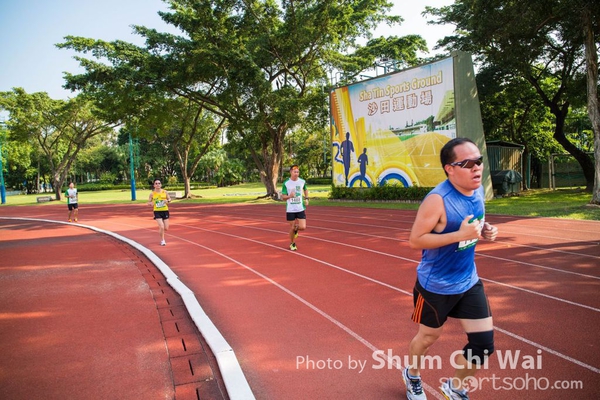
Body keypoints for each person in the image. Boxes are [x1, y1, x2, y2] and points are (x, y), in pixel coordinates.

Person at [402, 138, 499, 400]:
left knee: (483, 344)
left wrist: (485, 229)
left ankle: (455, 388)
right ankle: (412, 375)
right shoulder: (437, 200)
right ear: (450, 169)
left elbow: (473, 222)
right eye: (467, 163)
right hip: (435, 286)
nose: (476, 167)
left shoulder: (477, 191)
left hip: (468, 281)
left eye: (479, 161)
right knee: (428, 337)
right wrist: (460, 235)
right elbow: (415, 240)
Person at [281, 164, 309, 251]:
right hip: (290, 209)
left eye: (297, 172)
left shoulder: (302, 181)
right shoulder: (286, 183)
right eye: (294, 172)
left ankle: (296, 229)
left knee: (303, 227)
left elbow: (305, 189)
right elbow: (283, 197)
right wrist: (290, 196)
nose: (296, 173)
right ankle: (292, 243)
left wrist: (306, 198)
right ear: (291, 172)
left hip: (300, 208)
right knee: (292, 227)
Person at [147, 178, 172, 246]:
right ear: (154, 185)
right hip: (157, 211)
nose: (157, 184)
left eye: (159, 183)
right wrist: (151, 203)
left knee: (166, 228)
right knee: (161, 226)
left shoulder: (165, 192)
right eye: (156, 183)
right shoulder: (152, 194)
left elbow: (169, 199)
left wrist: (167, 201)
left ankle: (162, 230)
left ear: (161, 185)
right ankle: (162, 240)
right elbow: (148, 202)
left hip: (165, 210)